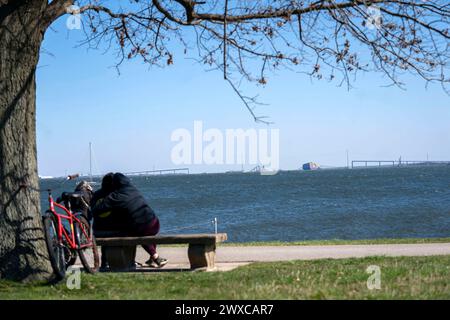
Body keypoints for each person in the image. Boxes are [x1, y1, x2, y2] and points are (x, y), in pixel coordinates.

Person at [91, 172, 168, 268]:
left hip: (102, 231)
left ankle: (152, 257)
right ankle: (151, 258)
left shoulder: (113, 196)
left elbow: (95, 210)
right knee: (142, 230)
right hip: (155, 223)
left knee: (135, 231)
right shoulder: (133, 189)